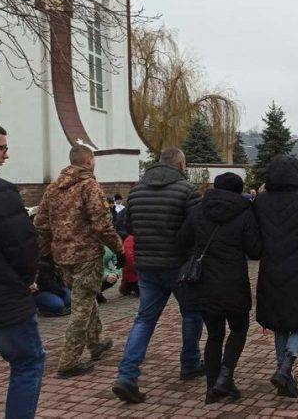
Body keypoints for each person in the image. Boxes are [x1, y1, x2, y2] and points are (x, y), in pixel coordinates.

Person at [113, 148, 203, 404]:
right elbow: (196, 227)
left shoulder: (137, 191)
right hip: (178, 265)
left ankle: (127, 375)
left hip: (146, 265)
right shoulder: (187, 190)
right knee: (191, 314)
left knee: (144, 319)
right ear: (181, 164)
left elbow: (128, 227)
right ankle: (190, 363)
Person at [35, 145, 121, 379]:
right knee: (81, 306)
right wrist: (118, 247)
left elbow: (41, 223)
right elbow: (102, 224)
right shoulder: (89, 185)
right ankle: (69, 361)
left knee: (85, 296)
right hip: (86, 255)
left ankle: (96, 343)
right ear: (89, 161)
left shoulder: (53, 187)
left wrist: (47, 251)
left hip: (62, 257)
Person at [178, 173, 261, 404]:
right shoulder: (245, 213)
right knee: (239, 330)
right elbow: (255, 250)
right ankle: (224, 378)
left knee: (214, 335)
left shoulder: (198, 210)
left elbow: (182, 239)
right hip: (234, 282)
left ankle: (212, 387)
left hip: (204, 282)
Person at [0, 121, 46, 419]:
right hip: (0, 301)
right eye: (2, 147)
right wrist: (27, 281)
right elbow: (23, 247)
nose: (6, 155)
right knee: (28, 362)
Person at [253, 156, 298, 398]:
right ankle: (286, 367)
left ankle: (283, 372)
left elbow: (255, 236)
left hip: (272, 266)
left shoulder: (260, 200)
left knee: (279, 321)